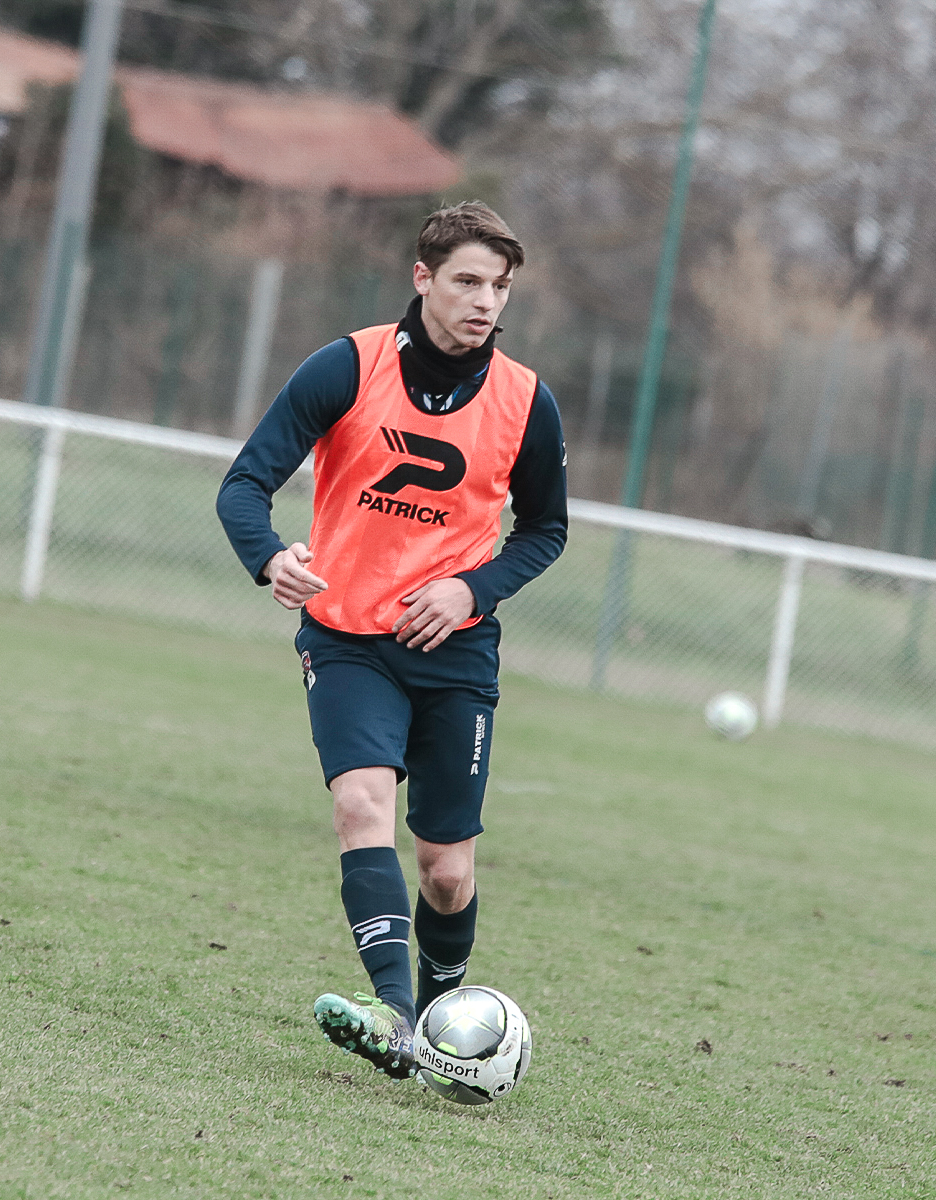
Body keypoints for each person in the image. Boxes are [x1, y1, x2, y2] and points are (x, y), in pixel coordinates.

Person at [216, 201, 568, 1078]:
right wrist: (270, 560)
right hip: (347, 638)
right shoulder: (348, 365)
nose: (485, 302)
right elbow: (244, 484)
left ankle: (446, 1012)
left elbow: (545, 530)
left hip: (455, 655)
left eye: (500, 287)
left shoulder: (527, 401)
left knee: (447, 871)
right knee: (358, 806)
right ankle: (398, 1021)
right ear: (424, 278)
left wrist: (469, 589)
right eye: (467, 282)